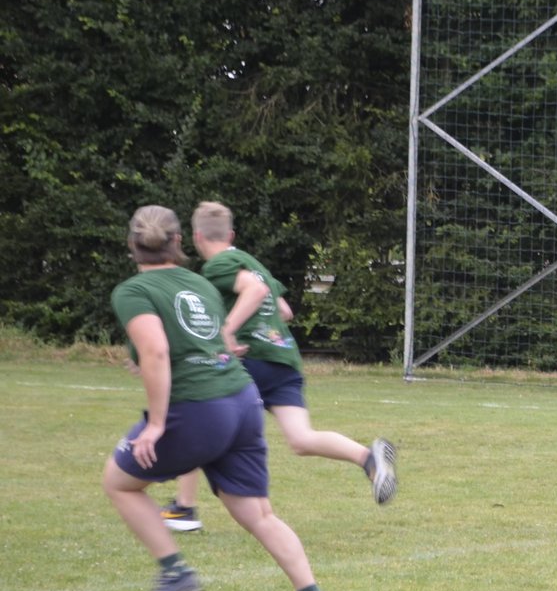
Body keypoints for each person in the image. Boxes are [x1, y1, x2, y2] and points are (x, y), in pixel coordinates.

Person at [103, 205, 339, 591]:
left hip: (198, 407)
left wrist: (156, 424)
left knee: (119, 482)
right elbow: (206, 342)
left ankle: (175, 573)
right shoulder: (199, 282)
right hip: (242, 400)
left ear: (132, 244)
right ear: (178, 241)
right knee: (257, 513)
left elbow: (157, 350)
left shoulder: (133, 291)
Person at [157, 201, 397, 532]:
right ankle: (369, 459)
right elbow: (283, 310)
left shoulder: (218, 265)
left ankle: (184, 508)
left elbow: (254, 292)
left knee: (198, 416)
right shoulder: (254, 264)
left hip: (251, 359)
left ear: (197, 237)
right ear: (231, 234)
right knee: (301, 439)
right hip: (283, 358)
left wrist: (227, 330)